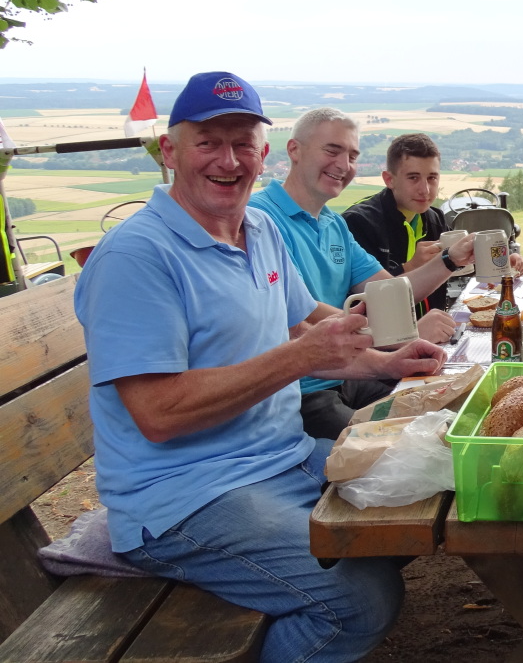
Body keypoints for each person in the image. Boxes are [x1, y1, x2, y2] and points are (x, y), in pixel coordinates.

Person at [75, 71, 448, 663]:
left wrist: (387, 358)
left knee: (419, 495)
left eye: (242, 144)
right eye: (207, 142)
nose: (228, 160)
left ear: (264, 152)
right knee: (362, 599)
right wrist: (302, 357)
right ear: (169, 151)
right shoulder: (136, 257)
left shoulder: (260, 228)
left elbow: (305, 325)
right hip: (187, 496)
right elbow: (158, 413)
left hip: (283, 456)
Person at [248, 108, 477, 439]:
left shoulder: (334, 224)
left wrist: (451, 259)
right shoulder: (260, 220)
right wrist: (406, 332)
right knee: (405, 445)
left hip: (351, 373)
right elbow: (300, 314)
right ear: (294, 150)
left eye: (352, 156)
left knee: (455, 412)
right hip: (302, 390)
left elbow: (392, 292)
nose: (343, 165)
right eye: (332, 150)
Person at [343, 132, 454, 316]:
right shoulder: (359, 222)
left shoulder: (435, 218)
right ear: (389, 180)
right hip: (382, 333)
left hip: (434, 327)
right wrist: (410, 266)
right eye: (413, 178)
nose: (425, 189)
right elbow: (362, 297)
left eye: (432, 178)